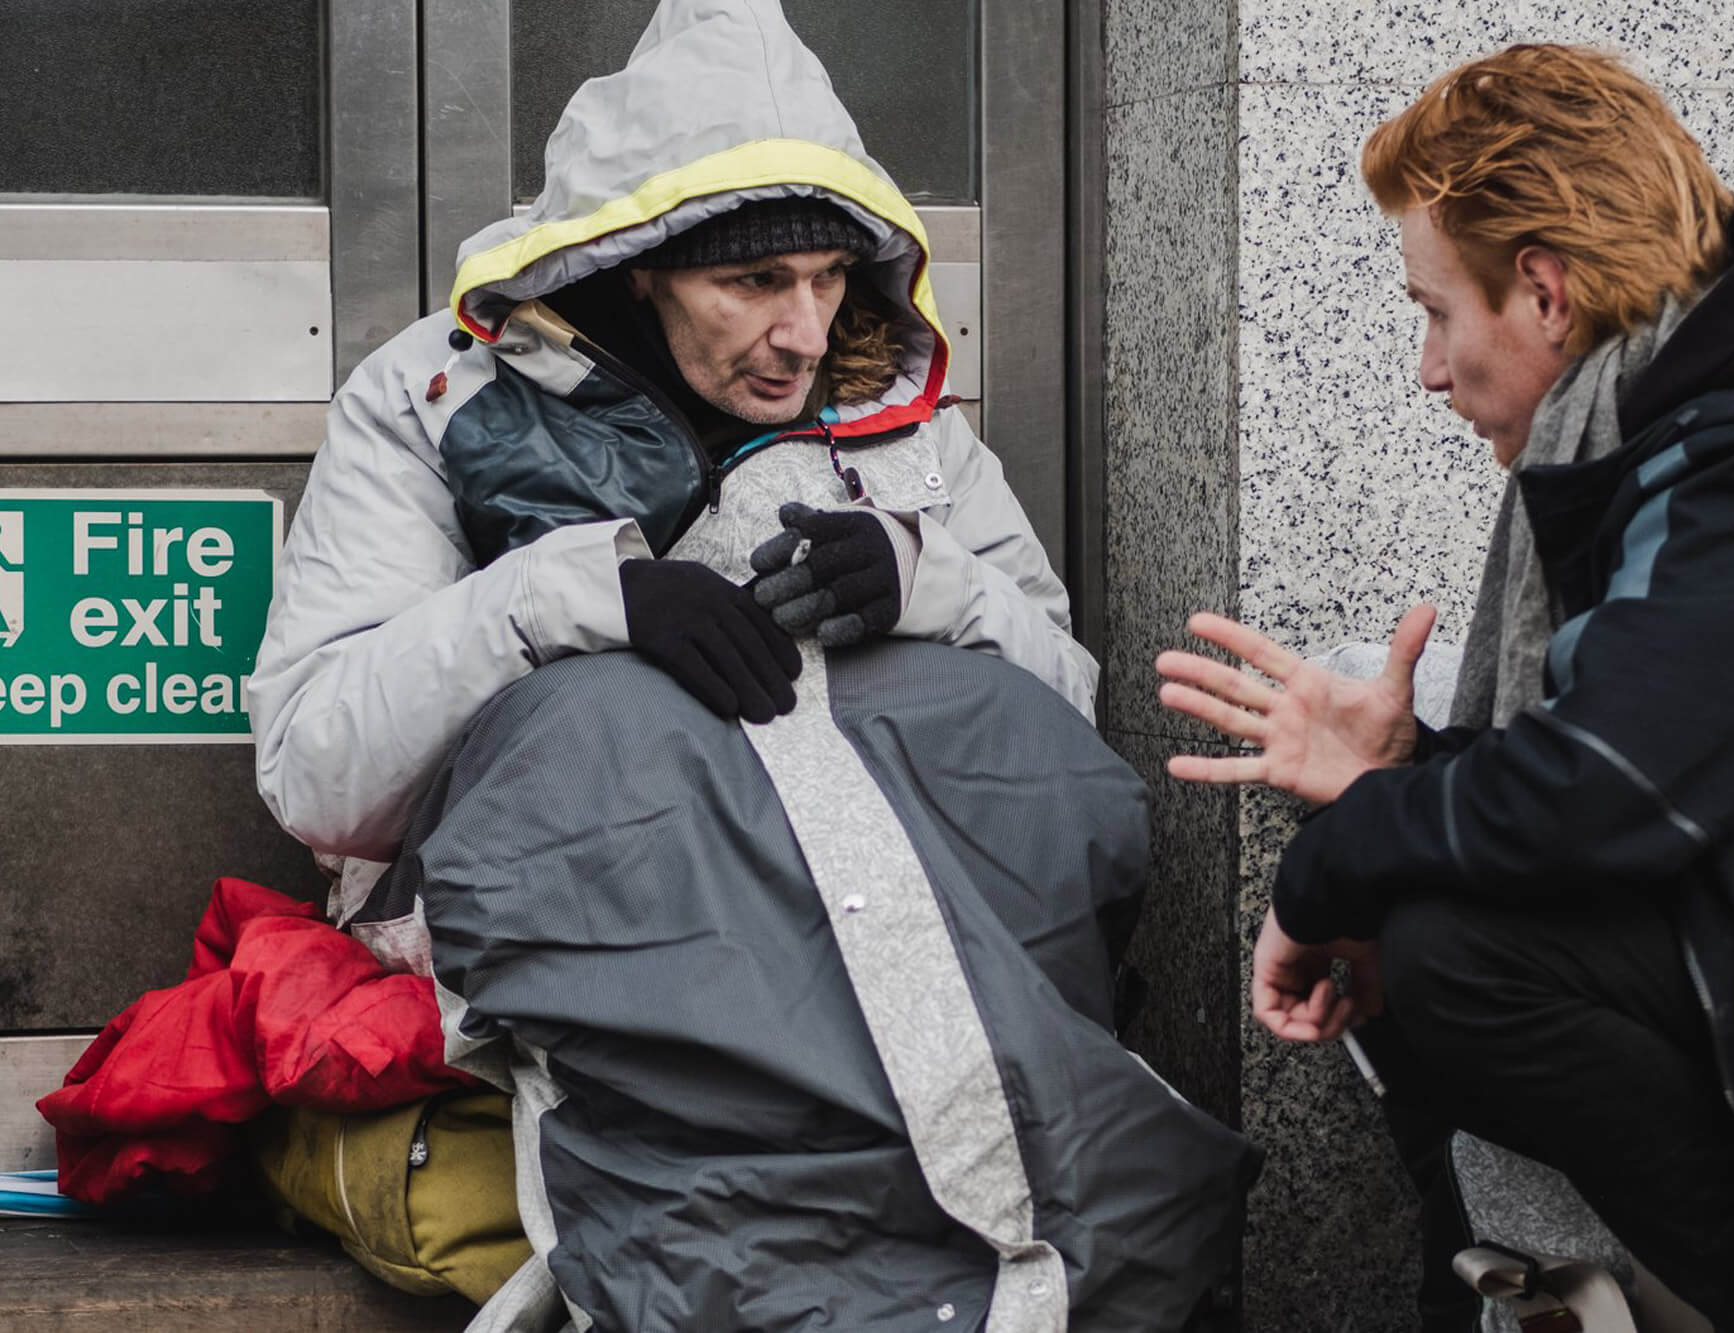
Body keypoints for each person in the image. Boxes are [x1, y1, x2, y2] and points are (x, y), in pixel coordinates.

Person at [249, 2, 1255, 1328]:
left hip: (914, 937)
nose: (802, 328)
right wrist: (568, 599)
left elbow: (1063, 742)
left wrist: (927, 585)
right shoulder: (435, 401)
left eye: (829, 275)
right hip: (614, 953)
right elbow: (318, 773)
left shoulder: (897, 412)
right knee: (599, 719)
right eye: (752, 282)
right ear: (638, 264)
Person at [1157, 42, 1734, 1333]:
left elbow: (1600, 799)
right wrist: (1407, 779)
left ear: (1545, 292)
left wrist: (1336, 863)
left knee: (1464, 955)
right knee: (1454, 925)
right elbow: (1638, 771)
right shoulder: (1715, 443)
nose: (1427, 371)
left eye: (1436, 311)